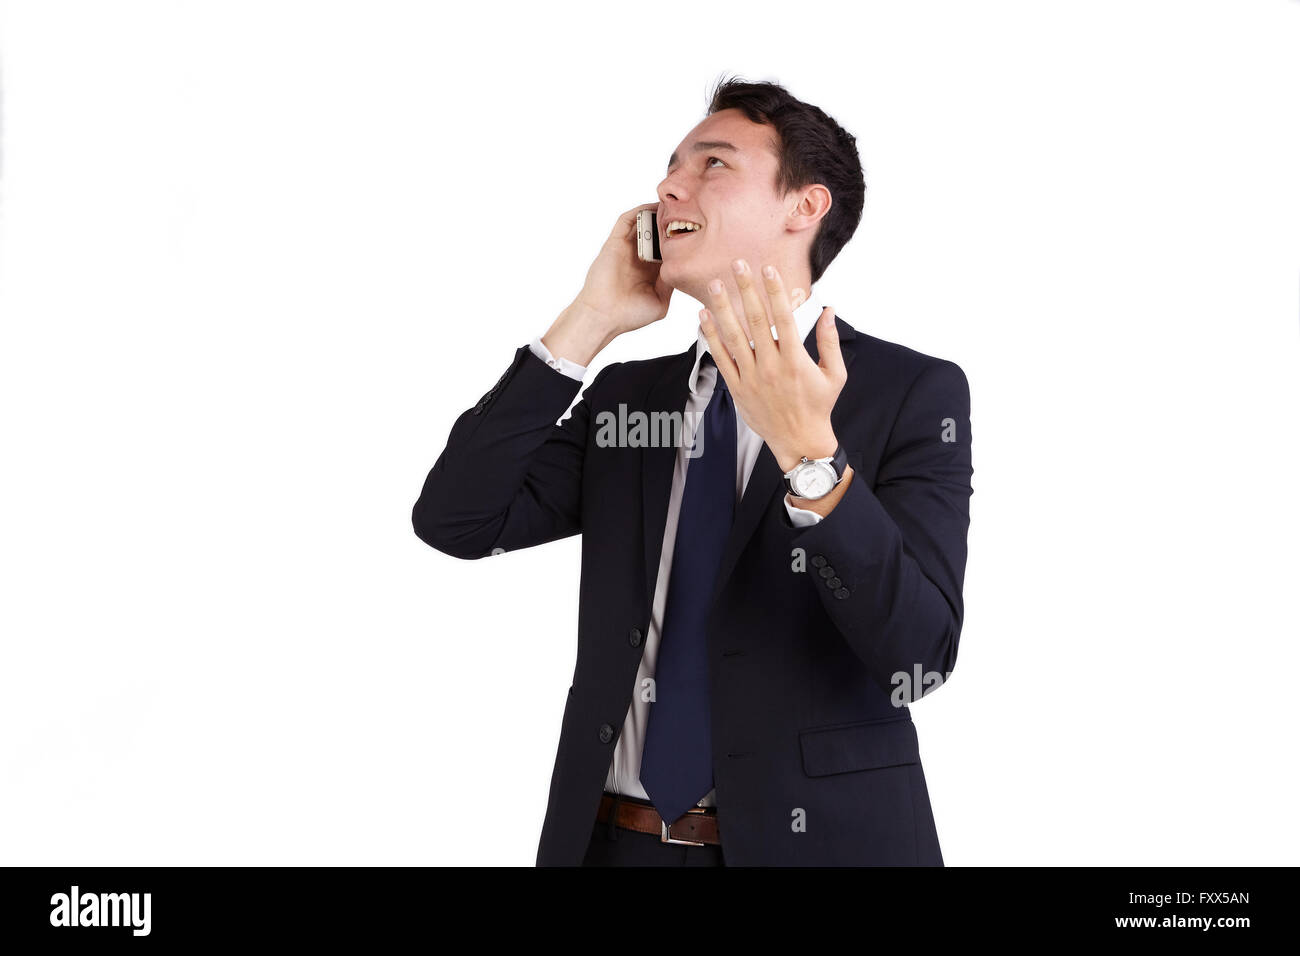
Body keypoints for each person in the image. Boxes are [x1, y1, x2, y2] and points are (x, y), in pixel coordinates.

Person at [412, 75, 973, 866]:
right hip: (613, 845)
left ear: (804, 207)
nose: (668, 185)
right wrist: (589, 321)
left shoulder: (913, 393)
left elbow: (919, 650)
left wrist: (812, 458)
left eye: (712, 165)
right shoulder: (629, 397)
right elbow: (457, 519)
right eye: (671, 166)